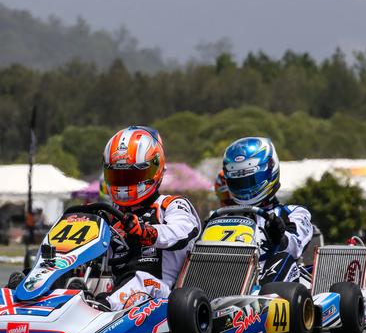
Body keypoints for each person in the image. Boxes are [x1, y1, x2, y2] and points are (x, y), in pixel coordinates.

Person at [97, 125, 202, 311]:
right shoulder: (108, 214)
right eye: (118, 175)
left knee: (141, 280)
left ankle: (102, 308)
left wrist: (146, 232)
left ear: (155, 170)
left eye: (132, 175)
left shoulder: (171, 205)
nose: (124, 182)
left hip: (164, 296)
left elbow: (180, 231)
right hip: (114, 288)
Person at [222, 137, 312, 284]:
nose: (245, 187)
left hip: (275, 284)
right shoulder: (225, 218)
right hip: (231, 278)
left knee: (282, 259)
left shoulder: (294, 213)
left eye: (250, 180)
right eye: (239, 182)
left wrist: (280, 237)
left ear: (270, 170)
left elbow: (295, 248)